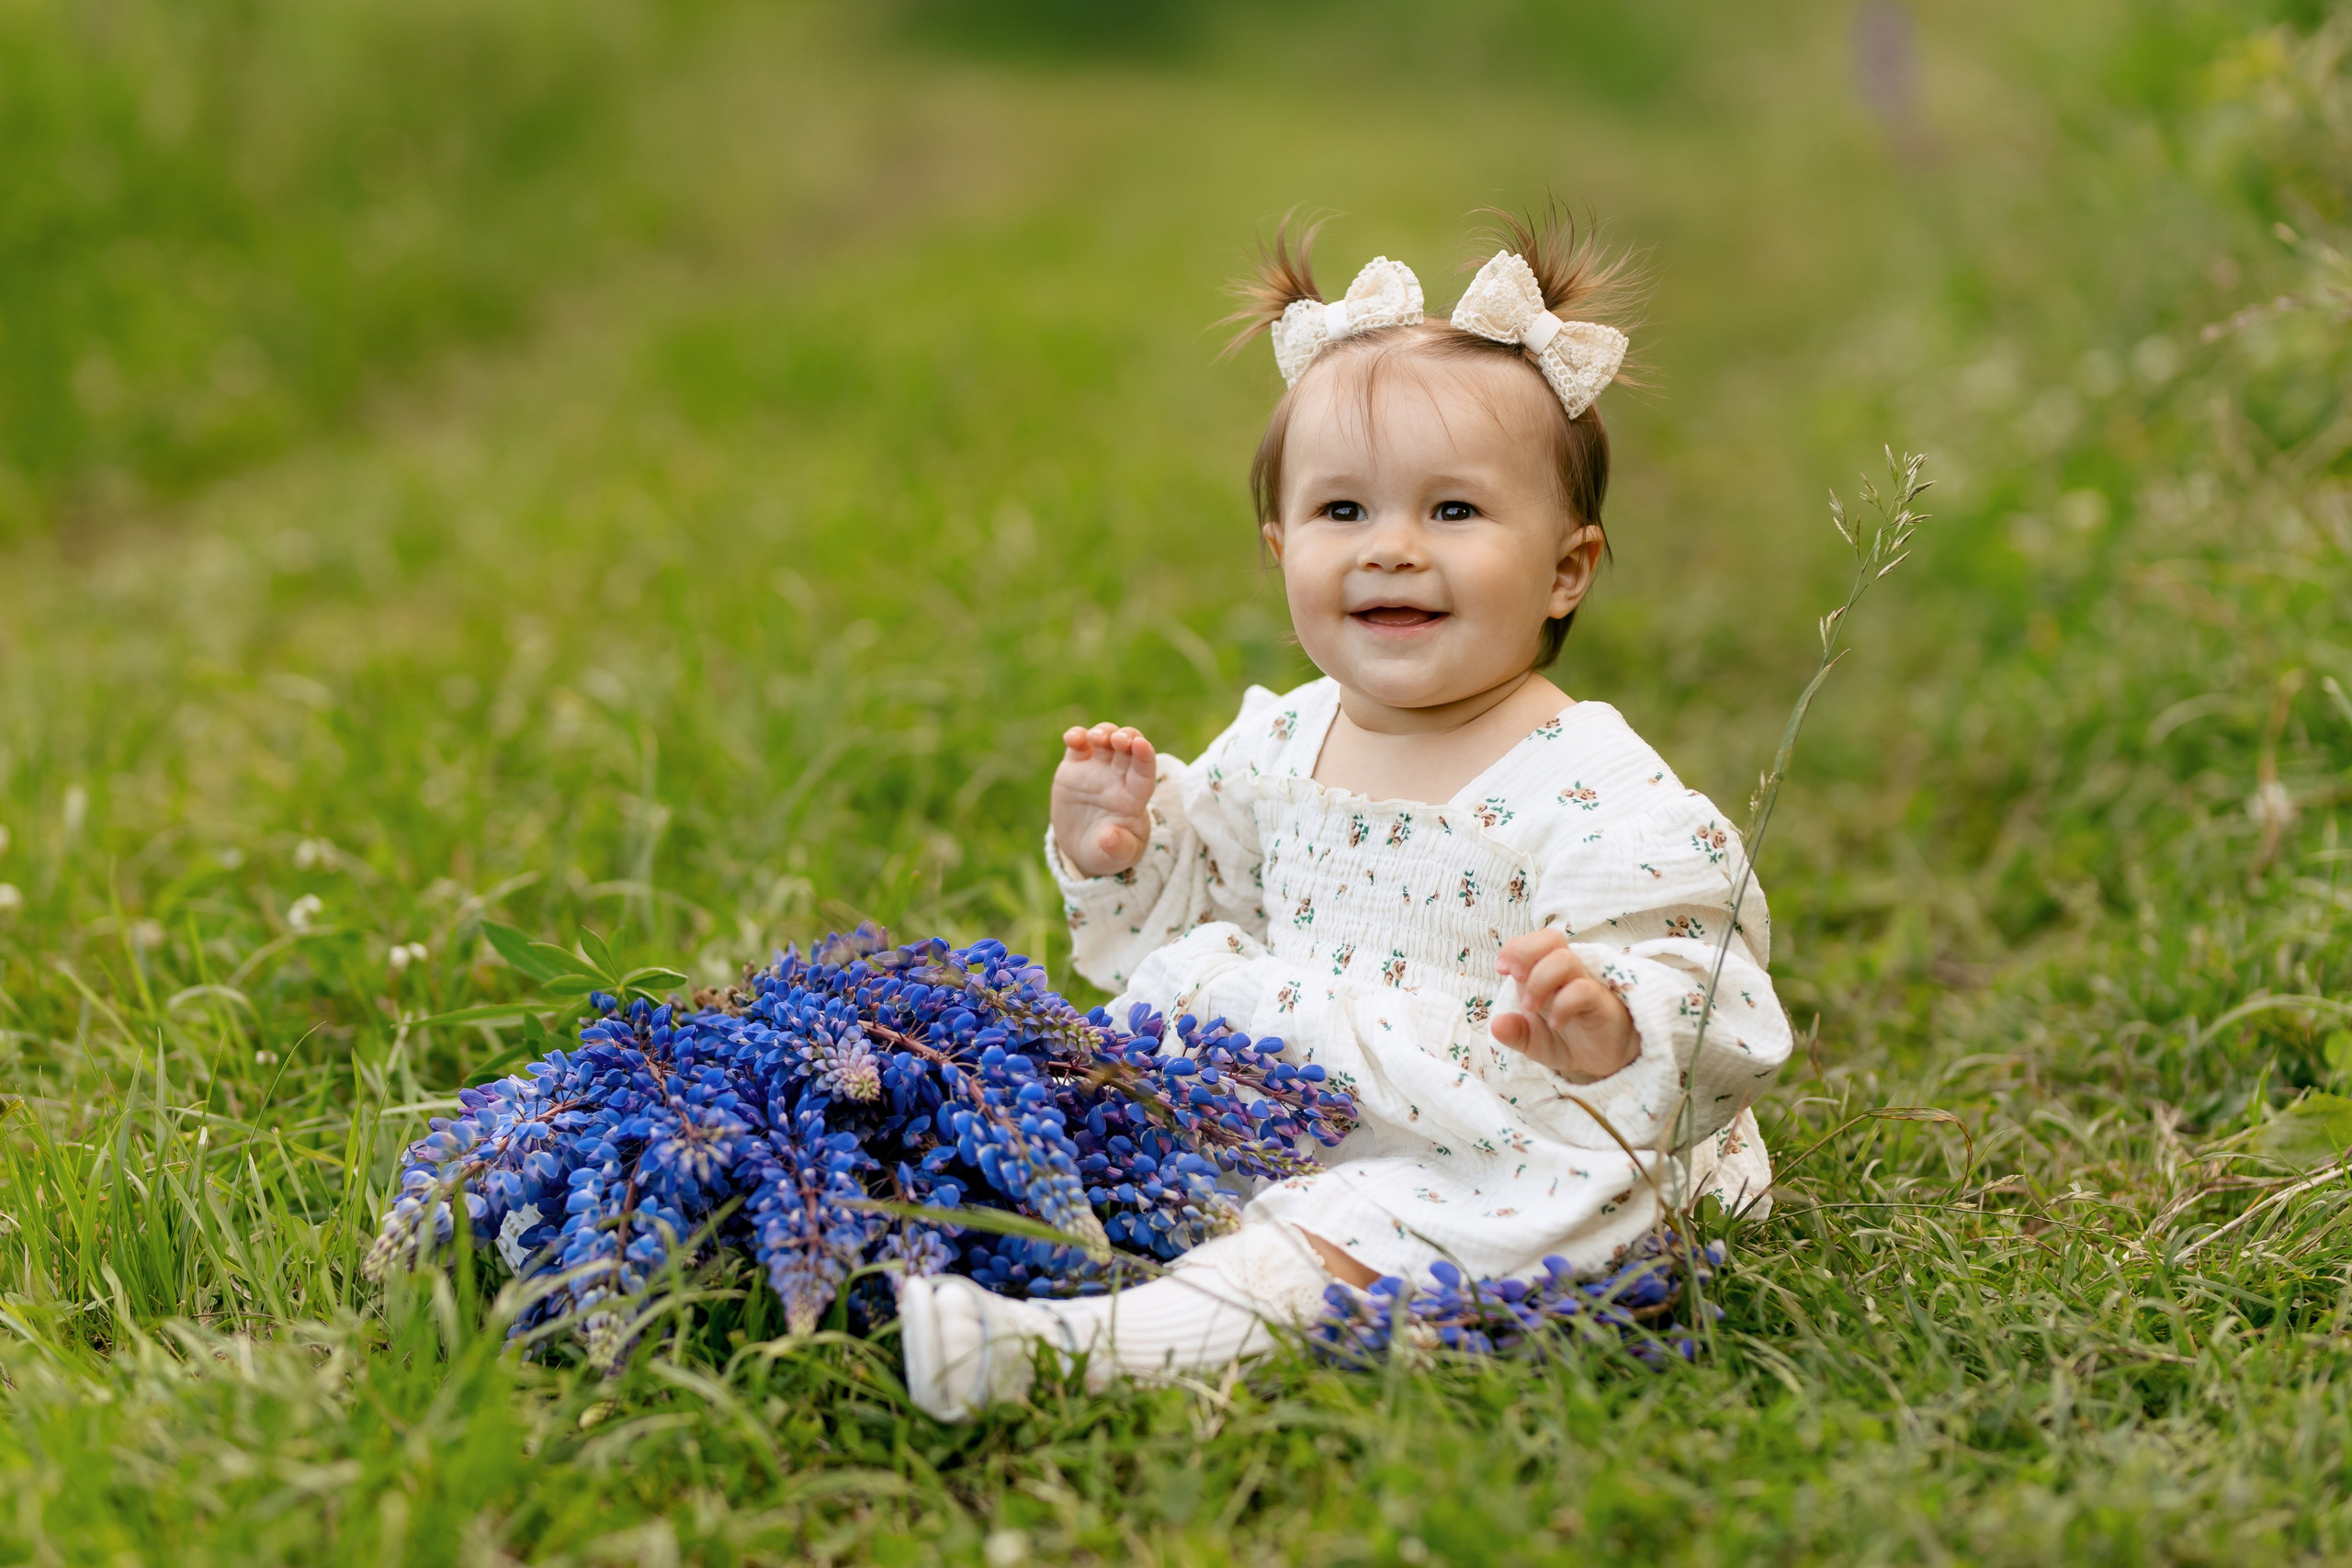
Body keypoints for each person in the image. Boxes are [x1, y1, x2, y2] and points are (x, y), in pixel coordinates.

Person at [898, 212, 1789, 1419]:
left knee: (1344, 1234)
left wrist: (1609, 1024)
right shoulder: (1280, 736)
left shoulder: (1591, 787)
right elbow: (1190, 905)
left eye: (1455, 514)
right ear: (1279, 547)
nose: (1394, 553)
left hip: (1499, 1124)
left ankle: (1071, 1351)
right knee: (1090, 1133)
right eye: (1343, 514)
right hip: (1286, 1082)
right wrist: (1120, 846)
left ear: (1568, 569)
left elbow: (1701, 968)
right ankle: (921, 1239)